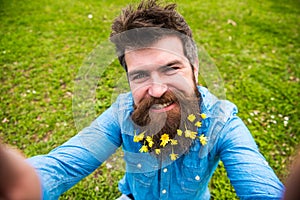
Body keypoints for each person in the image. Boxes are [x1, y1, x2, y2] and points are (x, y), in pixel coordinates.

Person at [0, 0, 284, 199]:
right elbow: (62, 166)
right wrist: (19, 185)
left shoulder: (222, 123)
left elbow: (260, 186)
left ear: (195, 66)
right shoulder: (123, 113)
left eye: (171, 68)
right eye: (140, 76)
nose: (157, 90)